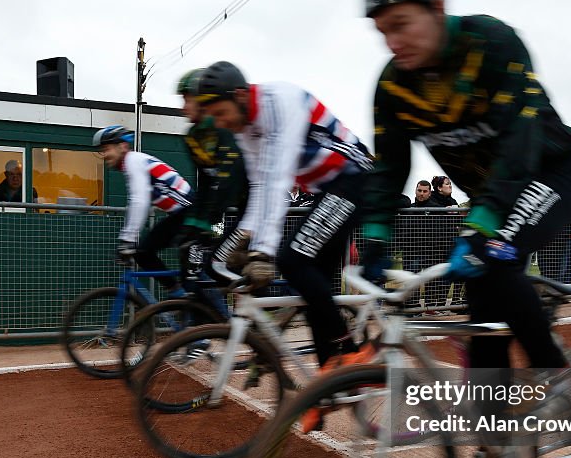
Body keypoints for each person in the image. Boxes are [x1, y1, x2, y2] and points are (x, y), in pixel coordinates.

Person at [359, 0, 571, 458]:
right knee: (479, 322)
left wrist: (483, 223)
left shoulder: (492, 45)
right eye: (383, 32)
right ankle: (494, 454)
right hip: (489, 195)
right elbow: (387, 169)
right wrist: (377, 239)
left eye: (401, 26)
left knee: (495, 259)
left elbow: (519, 145)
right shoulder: (394, 88)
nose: (393, 43)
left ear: (437, 9)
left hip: (543, 173)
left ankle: (556, 374)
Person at [193, 60, 376, 379]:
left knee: (292, 261)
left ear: (239, 95)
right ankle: (330, 382)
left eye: (221, 114)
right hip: (327, 188)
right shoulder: (245, 129)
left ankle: (349, 351)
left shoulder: (280, 101)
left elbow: (278, 179)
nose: (220, 123)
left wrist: (263, 252)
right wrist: (244, 237)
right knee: (311, 283)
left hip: (354, 177)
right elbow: (260, 186)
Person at [93, 125, 193, 293]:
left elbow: (139, 200)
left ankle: (189, 303)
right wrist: (129, 238)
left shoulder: (133, 160)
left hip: (188, 214)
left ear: (122, 146)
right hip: (181, 214)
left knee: (191, 276)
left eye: (106, 149)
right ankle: (180, 299)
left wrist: (127, 239)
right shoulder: (134, 163)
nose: (104, 155)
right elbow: (138, 203)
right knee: (143, 252)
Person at [174, 69, 248, 254]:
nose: (183, 107)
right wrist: (193, 223)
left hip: (253, 205)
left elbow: (227, 182)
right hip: (235, 207)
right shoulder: (193, 137)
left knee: (218, 263)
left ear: (202, 101)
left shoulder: (223, 130)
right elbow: (206, 184)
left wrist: (205, 223)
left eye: (187, 99)